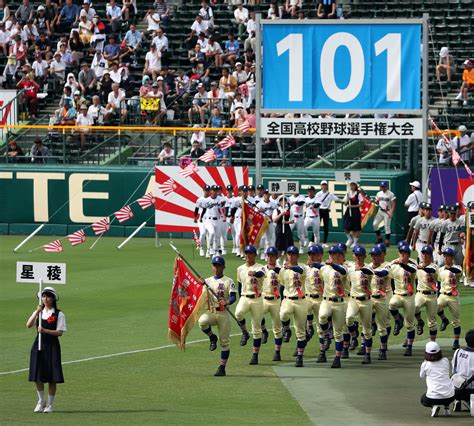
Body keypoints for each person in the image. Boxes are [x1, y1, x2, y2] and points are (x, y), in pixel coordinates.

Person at [27, 287, 66, 413]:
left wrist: (45, 331)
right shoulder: (39, 312)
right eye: (43, 296)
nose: (45, 299)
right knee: (37, 374)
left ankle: (50, 404)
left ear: (53, 298)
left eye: (48, 296)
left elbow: (59, 332)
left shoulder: (59, 314)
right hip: (38, 345)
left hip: (52, 346)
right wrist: (36, 312)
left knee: (52, 377)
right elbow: (28, 324)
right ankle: (41, 401)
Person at [198, 255, 237, 377]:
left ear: (223, 267)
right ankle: (211, 337)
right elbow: (200, 293)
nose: (216, 268)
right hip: (212, 312)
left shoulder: (228, 281)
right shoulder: (208, 281)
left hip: (224, 314)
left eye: (219, 266)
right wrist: (201, 284)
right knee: (202, 321)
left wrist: (227, 302)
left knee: (224, 342)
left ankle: (222, 367)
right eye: (214, 265)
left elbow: (233, 296)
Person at [318, 245, 349, 368]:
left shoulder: (343, 268)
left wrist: (332, 265)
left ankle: (337, 358)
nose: (331, 255)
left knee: (338, 333)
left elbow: (342, 272)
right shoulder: (324, 268)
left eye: (334, 253)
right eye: (330, 253)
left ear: (340, 256)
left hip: (339, 302)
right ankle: (326, 334)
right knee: (322, 316)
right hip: (326, 300)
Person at [235, 244, 266, 365]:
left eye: (250, 253)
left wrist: (255, 273)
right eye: (246, 253)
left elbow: (260, 275)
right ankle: (244, 332)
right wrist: (239, 297)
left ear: (255, 255)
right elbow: (239, 284)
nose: (248, 255)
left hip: (257, 299)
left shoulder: (261, 267)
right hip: (244, 297)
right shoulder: (240, 268)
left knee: (257, 328)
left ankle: (255, 355)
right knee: (238, 313)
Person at [279, 245, 307, 367]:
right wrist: (281, 300)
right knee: (283, 314)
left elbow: (301, 271)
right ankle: (286, 329)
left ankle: (300, 357)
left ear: (297, 255)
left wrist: (292, 267)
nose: (291, 256)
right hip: (288, 299)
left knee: (300, 331)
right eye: (289, 254)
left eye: (293, 254)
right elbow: (281, 285)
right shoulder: (283, 269)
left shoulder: (302, 267)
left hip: (301, 300)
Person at [389, 243, 417, 356]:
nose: (403, 255)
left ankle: (409, 346)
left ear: (409, 254)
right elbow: (389, 279)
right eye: (401, 252)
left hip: (409, 296)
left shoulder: (413, 263)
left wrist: (402, 264)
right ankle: (397, 320)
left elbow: (412, 270)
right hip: (398, 294)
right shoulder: (393, 264)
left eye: (405, 253)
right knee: (392, 304)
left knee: (409, 324)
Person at [420, 341, 455, 417]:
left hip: (433, 397)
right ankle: (446, 408)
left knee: (423, 400)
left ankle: (434, 406)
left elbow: (421, 375)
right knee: (445, 389)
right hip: (450, 397)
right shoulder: (445, 361)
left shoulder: (425, 364)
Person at [260, 246, 283, 361]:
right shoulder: (262, 269)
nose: (270, 257)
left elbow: (283, 286)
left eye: (272, 255)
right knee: (257, 315)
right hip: (264, 299)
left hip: (276, 300)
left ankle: (277, 351)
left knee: (277, 328)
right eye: (268, 255)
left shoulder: (280, 270)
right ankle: (264, 331)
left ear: (276, 257)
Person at [437, 248, 463, 350]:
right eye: (444, 256)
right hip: (443, 295)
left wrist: (449, 268)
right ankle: (444, 320)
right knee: (435, 307)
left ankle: (456, 342)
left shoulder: (457, 267)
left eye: (447, 256)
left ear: (452, 257)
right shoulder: (440, 270)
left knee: (456, 320)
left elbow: (457, 272)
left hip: (453, 296)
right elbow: (439, 282)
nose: (445, 258)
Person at [369, 246, 391, 360]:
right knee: (365, 324)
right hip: (371, 298)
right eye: (372, 255)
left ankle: (383, 349)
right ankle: (365, 347)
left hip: (382, 299)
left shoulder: (386, 266)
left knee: (382, 327)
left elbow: (383, 273)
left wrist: (372, 271)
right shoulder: (367, 267)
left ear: (380, 256)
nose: (373, 257)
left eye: (375, 255)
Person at [414, 245, 439, 341]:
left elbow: (431, 271)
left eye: (426, 254)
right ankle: (420, 321)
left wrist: (422, 268)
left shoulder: (434, 267)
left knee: (432, 321)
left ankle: (433, 342)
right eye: (423, 253)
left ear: (430, 255)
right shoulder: (418, 267)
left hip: (432, 295)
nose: (424, 256)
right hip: (420, 293)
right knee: (414, 307)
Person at [305, 244, 324, 351]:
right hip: (308, 298)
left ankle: (322, 351)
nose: (311, 256)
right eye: (310, 254)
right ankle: (308, 328)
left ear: (320, 255)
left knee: (320, 327)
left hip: (321, 299)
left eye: (314, 254)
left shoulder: (325, 267)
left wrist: (316, 265)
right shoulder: (305, 268)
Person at [451, 329, 474, 411]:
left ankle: (458, 400)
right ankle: (470, 402)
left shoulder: (457, 351)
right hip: (471, 391)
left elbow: (453, 369)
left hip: (456, 390)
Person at [315, 180, 342, 247]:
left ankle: (324, 242)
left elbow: (337, 199)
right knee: (316, 226)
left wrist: (345, 200)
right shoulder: (318, 194)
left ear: (327, 186)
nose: (324, 186)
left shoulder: (330, 194)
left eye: (325, 185)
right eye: (323, 185)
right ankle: (312, 241)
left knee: (326, 227)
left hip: (326, 211)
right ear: (321, 186)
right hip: (319, 210)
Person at [373, 181, 396, 246]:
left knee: (387, 226)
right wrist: (375, 202)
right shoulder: (379, 193)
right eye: (382, 186)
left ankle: (387, 241)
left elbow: (394, 204)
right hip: (380, 211)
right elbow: (377, 202)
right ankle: (379, 238)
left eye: (384, 186)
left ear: (387, 187)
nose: (383, 188)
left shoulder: (391, 194)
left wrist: (391, 212)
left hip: (388, 211)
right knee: (375, 224)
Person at [273, 196, 294, 262]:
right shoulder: (276, 210)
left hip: (287, 228)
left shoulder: (289, 210)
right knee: (279, 246)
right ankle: (277, 261)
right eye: (281, 201)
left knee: (287, 246)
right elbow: (274, 220)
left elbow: (293, 220)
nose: (283, 202)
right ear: (279, 202)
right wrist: (281, 214)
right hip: (279, 228)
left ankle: (286, 261)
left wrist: (286, 222)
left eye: (284, 201)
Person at [342, 182, 363, 247]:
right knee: (345, 226)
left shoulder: (358, 194)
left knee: (356, 227)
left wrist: (353, 206)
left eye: (353, 185)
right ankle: (349, 239)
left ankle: (355, 242)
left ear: (356, 186)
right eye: (351, 185)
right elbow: (345, 203)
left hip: (355, 211)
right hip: (348, 211)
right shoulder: (348, 193)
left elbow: (362, 203)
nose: (352, 186)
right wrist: (347, 199)